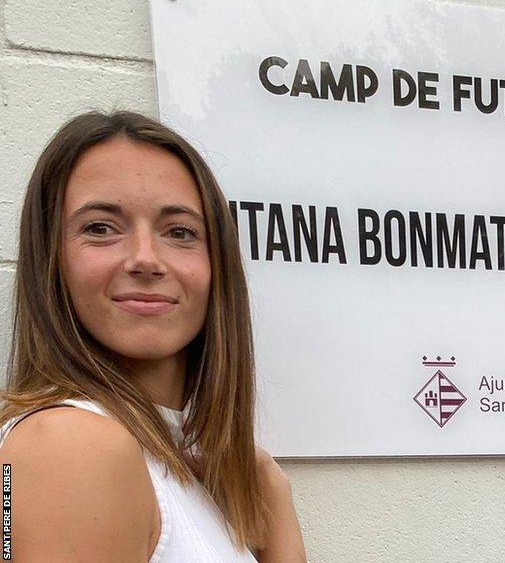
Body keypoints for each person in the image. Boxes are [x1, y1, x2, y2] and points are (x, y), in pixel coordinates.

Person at [0, 111, 307, 562]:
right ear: (51, 262)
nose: (146, 259)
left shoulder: (180, 458)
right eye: (100, 228)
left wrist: (271, 496)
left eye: (180, 232)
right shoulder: (66, 444)